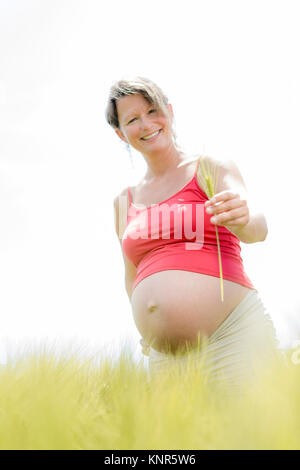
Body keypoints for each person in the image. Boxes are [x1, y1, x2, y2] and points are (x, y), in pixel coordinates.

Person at [105, 76, 285, 394]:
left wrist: (243, 219)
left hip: (234, 336)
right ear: (121, 133)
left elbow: (258, 226)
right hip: (165, 359)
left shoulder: (210, 167)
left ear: (170, 112)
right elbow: (130, 275)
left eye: (153, 110)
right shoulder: (123, 202)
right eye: (133, 119)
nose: (146, 124)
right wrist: (149, 323)